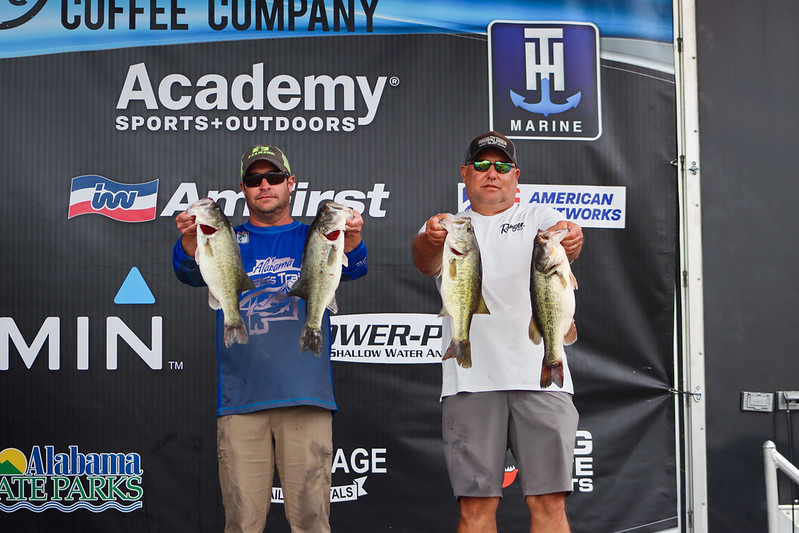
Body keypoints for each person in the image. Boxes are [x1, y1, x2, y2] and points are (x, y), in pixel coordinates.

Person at [173, 145, 368, 533]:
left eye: (274, 177)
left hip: (306, 397)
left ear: (290, 183)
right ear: (243, 188)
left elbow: (356, 267)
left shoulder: (314, 235)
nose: (264, 185)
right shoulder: (226, 235)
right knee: (242, 523)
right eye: (254, 179)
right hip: (241, 400)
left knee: (312, 521)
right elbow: (188, 273)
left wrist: (352, 236)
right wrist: (190, 240)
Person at [412, 131, 583, 533]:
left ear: (515, 175)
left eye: (502, 165)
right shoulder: (449, 225)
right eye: (482, 164)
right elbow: (423, 260)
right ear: (465, 173)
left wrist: (572, 236)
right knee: (475, 506)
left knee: (550, 501)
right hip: (469, 383)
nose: (492, 172)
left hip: (541, 379)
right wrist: (430, 239)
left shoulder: (538, 218)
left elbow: (568, 241)